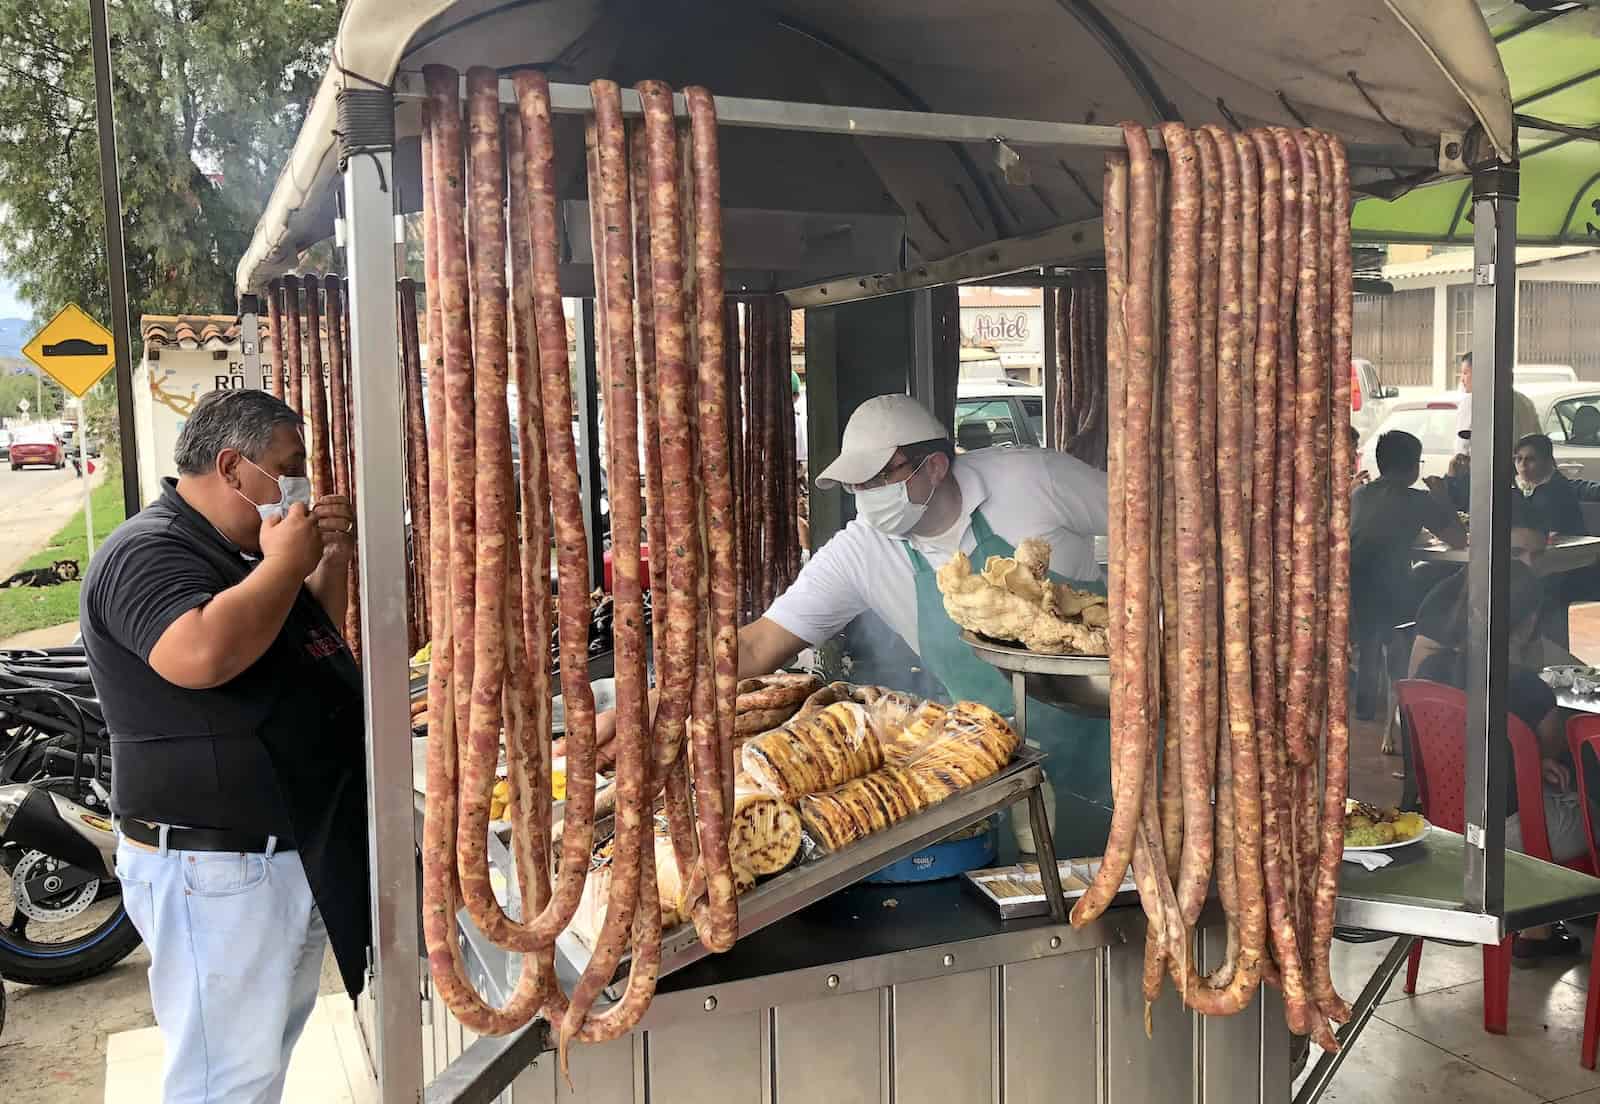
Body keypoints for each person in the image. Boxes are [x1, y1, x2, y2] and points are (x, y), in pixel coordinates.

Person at [603, 394, 1108, 855]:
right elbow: (757, 646)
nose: (865, 495)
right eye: (855, 484)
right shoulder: (861, 550)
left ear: (934, 466)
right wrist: (651, 704)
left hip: (1113, 733)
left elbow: (1158, 519)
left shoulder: (1035, 479)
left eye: (879, 479)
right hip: (990, 759)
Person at [81, 389, 369, 1103]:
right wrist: (282, 563)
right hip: (213, 868)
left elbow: (303, 645)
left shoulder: (238, 550)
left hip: (272, 855)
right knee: (223, 1080)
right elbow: (200, 653)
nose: (300, 482)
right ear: (234, 468)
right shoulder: (148, 552)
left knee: (258, 1060)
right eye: (288, 466)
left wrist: (324, 565)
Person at [1409, 559, 1589, 961]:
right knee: (1586, 805)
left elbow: (1462, 741)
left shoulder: (1429, 671)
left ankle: (1538, 928)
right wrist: (1536, 757)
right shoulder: (1527, 688)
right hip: (1511, 832)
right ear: (1527, 623)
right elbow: (1557, 746)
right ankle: (1565, 913)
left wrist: (1525, 759)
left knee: (1531, 791)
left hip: (1447, 822)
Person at [1351, 429, 1467, 720]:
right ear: (1414, 466)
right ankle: (1418, 689)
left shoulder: (1360, 494)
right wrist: (1442, 498)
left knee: (1371, 637)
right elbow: (1458, 540)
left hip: (1353, 589)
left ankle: (1366, 707)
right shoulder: (1417, 499)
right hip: (1391, 592)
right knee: (1443, 582)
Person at [1514, 432, 1585, 536]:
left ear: (1547, 461)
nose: (1522, 465)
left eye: (1530, 459)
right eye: (1519, 459)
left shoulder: (1557, 491)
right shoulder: (1518, 486)